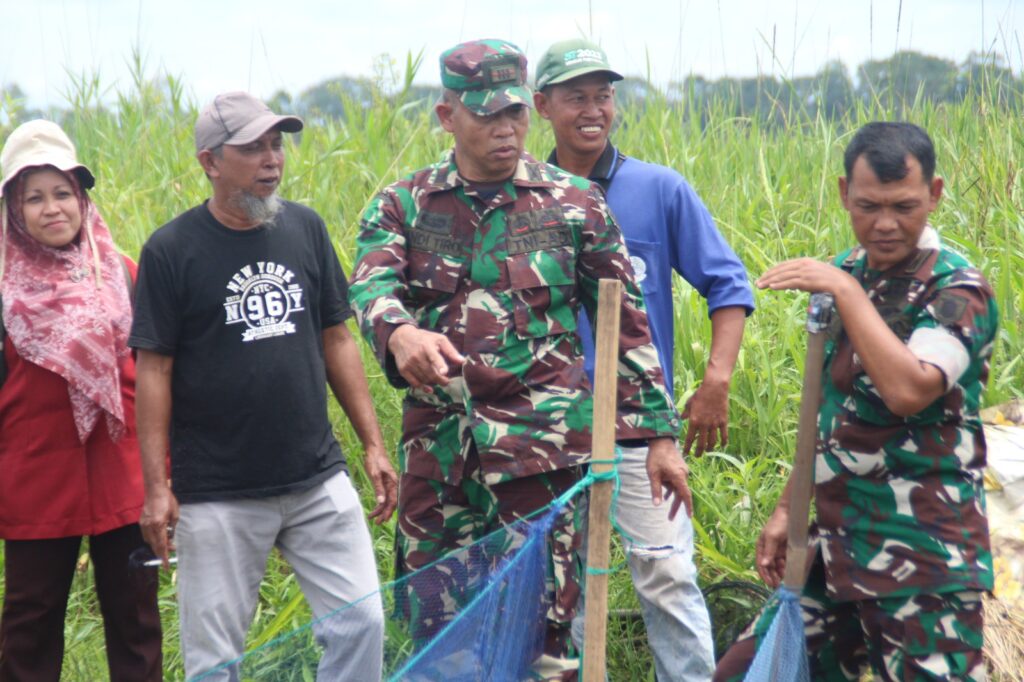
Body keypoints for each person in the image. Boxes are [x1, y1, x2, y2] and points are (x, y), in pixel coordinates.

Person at [348, 39, 691, 681]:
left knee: (547, 639)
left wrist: (660, 439)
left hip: (544, 460)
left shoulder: (575, 204)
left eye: (514, 115)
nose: (504, 131)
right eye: (485, 117)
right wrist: (398, 334)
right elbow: (370, 285)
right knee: (439, 635)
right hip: (442, 459)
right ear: (448, 117)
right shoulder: (406, 204)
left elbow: (630, 327)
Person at [129, 91, 398, 681]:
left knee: (362, 623)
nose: (271, 158)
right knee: (214, 662)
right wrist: (156, 486)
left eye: (276, 144)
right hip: (218, 492)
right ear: (210, 162)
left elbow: (337, 339)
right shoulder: (171, 251)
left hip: (316, 478)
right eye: (251, 147)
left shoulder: (304, 228)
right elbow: (154, 371)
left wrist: (373, 443)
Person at [714, 122, 997, 681]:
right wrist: (787, 508)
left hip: (923, 559)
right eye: (868, 206)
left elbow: (909, 390)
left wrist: (846, 293)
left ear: (935, 194)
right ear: (845, 193)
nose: (886, 224)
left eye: (904, 206)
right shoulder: (845, 272)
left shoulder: (958, 290)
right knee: (745, 672)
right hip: (835, 549)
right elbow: (826, 413)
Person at [533, 39, 756, 680]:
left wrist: (717, 379)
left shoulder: (657, 189)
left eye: (603, 94)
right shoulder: (524, 197)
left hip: (641, 426)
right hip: (549, 432)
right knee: (559, 591)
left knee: (667, 572)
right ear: (542, 105)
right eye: (576, 96)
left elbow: (728, 286)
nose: (593, 109)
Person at [0, 120, 162, 681]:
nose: (52, 208)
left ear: (82, 198)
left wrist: (165, 477)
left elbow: (158, 381)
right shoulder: (2, 290)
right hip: (34, 484)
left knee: (136, 619)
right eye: (34, 197)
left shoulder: (123, 274)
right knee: (29, 627)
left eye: (63, 192)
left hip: (123, 479)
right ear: (12, 211)